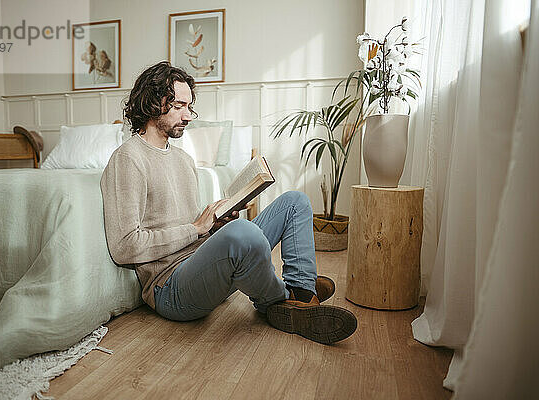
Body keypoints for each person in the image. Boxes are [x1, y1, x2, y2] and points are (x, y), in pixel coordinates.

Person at [100, 61, 357, 344]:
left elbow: (185, 223)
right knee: (244, 234)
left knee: (295, 202)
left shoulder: (183, 159)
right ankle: (284, 297)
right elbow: (124, 246)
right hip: (170, 288)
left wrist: (215, 224)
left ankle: (302, 292)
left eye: (190, 107)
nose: (187, 116)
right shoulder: (128, 159)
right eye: (179, 105)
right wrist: (198, 229)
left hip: (201, 262)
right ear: (152, 102)